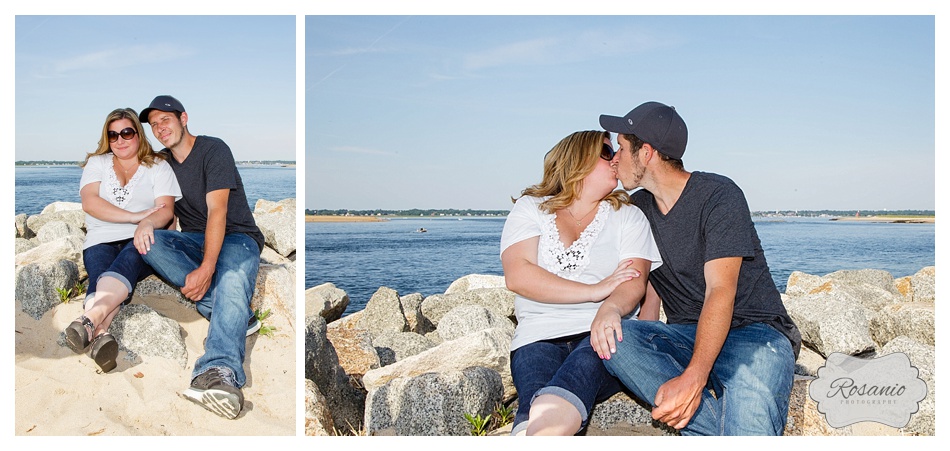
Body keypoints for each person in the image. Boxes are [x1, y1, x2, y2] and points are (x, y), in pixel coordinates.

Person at [597, 101, 802, 435]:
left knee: (750, 415)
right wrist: (610, 310)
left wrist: (694, 377)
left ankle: (705, 422)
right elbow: (644, 284)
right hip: (687, 335)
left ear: (646, 152)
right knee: (615, 339)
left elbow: (721, 289)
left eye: (620, 147)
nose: (615, 158)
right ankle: (713, 424)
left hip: (754, 333)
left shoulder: (718, 195)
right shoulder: (639, 209)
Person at [500, 130, 662, 435]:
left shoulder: (628, 216)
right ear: (577, 159)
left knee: (554, 400)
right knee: (538, 397)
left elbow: (633, 283)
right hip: (537, 336)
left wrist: (610, 306)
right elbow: (518, 275)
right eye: (605, 152)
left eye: (615, 151)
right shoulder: (531, 207)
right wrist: (595, 291)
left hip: (601, 332)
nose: (615, 158)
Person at [137, 95, 265, 420]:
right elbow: (162, 209)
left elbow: (217, 210)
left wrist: (207, 268)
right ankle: (235, 315)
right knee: (148, 242)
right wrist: (143, 225)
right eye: (153, 125)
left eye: (165, 120)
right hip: (193, 238)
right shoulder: (161, 163)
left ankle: (218, 371)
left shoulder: (213, 149)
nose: (159, 129)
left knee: (232, 280)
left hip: (237, 236)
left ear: (183, 118)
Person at [65, 108, 181, 373]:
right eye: (113, 134)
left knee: (125, 263)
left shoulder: (158, 166)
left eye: (127, 132)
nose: (120, 139)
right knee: (102, 274)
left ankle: (89, 319)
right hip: (100, 237)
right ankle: (101, 333)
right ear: (107, 138)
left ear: (138, 134)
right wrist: (134, 216)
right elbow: (90, 202)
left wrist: (146, 223)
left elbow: (165, 210)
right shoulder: (98, 163)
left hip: (142, 237)